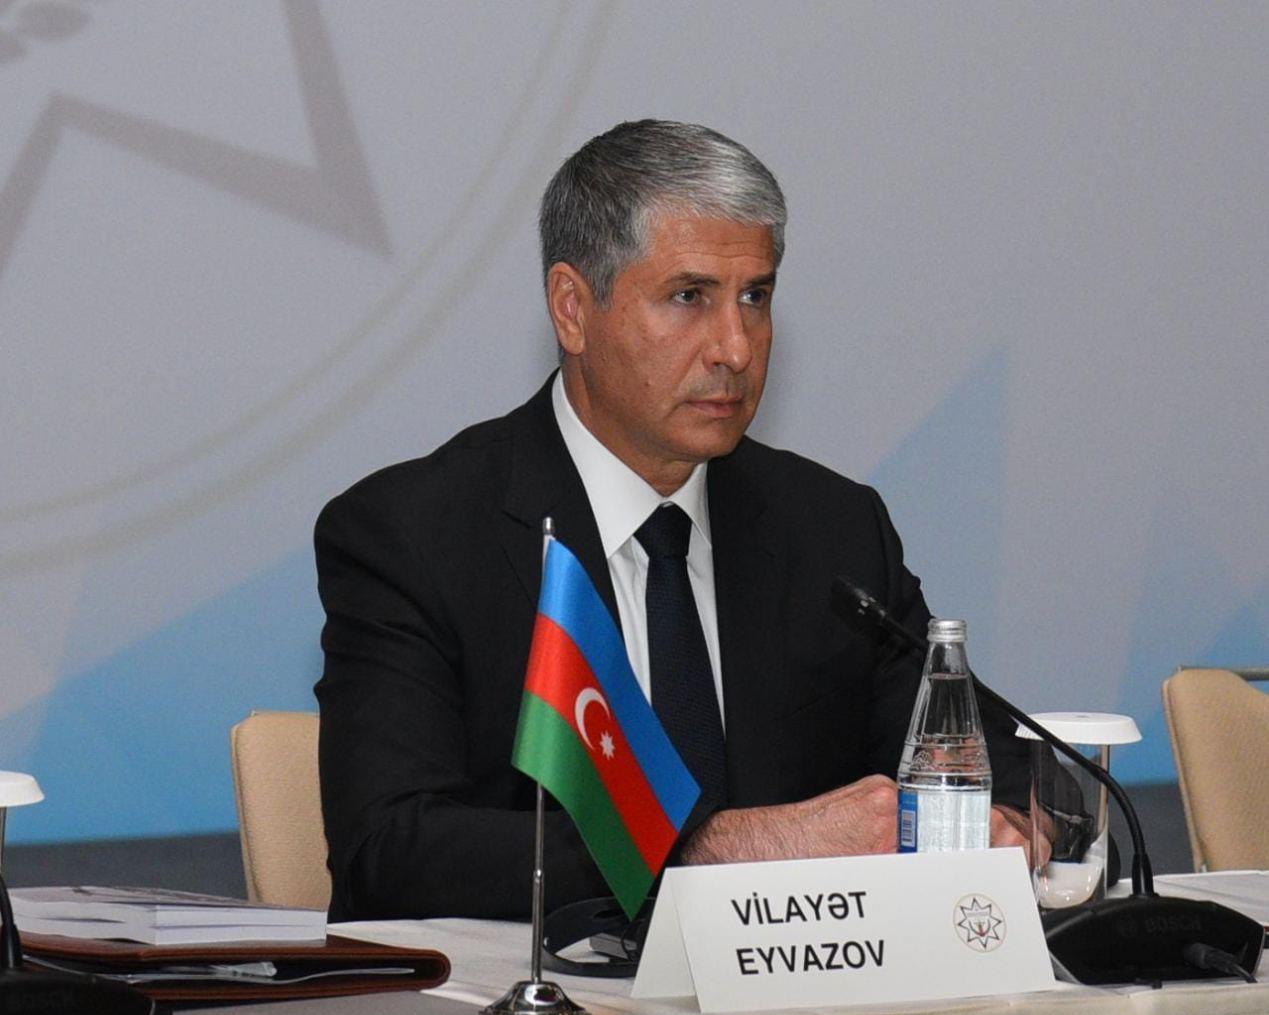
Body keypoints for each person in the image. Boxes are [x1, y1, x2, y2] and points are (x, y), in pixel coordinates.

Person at [315, 119, 1033, 922]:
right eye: (689, 297)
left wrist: (1009, 827)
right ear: (572, 309)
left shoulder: (830, 528)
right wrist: (707, 850)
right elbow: (388, 849)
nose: (735, 348)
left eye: (754, 297)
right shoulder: (415, 534)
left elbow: (994, 770)